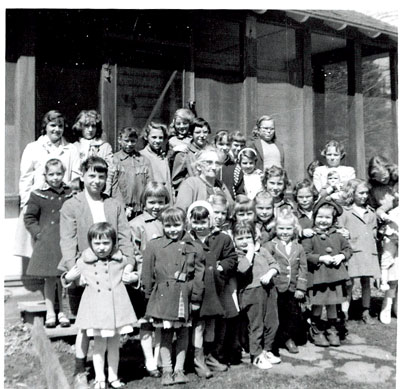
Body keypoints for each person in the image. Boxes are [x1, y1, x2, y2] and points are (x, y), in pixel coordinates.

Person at [58, 156, 135, 389]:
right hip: (85, 271)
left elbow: (125, 237)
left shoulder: (113, 204)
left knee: (110, 326)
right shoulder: (72, 205)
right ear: (82, 177)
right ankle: (80, 369)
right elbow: (68, 240)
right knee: (84, 325)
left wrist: (129, 265)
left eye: (101, 176)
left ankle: (110, 374)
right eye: (92, 175)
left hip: (112, 273)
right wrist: (76, 271)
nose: (97, 181)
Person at [64, 222, 137, 389]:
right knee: (99, 346)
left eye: (106, 243)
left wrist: (133, 278)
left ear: (113, 243)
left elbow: (133, 272)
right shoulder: (84, 262)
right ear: (90, 244)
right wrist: (68, 278)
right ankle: (100, 379)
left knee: (114, 346)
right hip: (97, 310)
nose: (102, 247)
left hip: (117, 309)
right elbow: (72, 278)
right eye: (97, 243)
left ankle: (113, 377)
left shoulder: (120, 260)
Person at [141, 207, 205, 386]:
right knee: (166, 334)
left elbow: (199, 276)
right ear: (162, 225)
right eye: (168, 225)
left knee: (183, 333)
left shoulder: (195, 247)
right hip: (162, 296)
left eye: (176, 225)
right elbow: (147, 274)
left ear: (184, 224)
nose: (172, 229)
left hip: (185, 295)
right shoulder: (154, 246)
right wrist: (149, 297)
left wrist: (195, 299)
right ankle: (167, 370)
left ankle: (179, 369)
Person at [15, 110, 80, 258]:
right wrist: (26, 203)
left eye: (60, 126)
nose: (57, 129)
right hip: (39, 205)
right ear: (45, 126)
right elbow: (25, 178)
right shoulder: (33, 148)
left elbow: (75, 180)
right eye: (53, 125)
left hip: (61, 204)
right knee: (39, 248)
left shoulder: (71, 150)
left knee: (60, 249)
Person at [187, 202, 238, 377]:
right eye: (195, 222)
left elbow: (232, 258)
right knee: (198, 325)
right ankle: (198, 360)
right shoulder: (187, 239)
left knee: (211, 324)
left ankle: (210, 356)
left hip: (214, 290)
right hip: (196, 290)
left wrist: (221, 267)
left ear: (210, 221)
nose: (199, 227)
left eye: (203, 222)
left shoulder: (222, 238)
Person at [23, 159, 73, 328]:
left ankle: (63, 312)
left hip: (65, 241)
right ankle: (51, 311)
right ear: (45, 175)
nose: (55, 177)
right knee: (50, 279)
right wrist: (39, 233)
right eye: (51, 174)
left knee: (64, 278)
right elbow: (29, 217)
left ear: (64, 174)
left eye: (58, 173)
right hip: (48, 243)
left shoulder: (70, 193)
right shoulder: (38, 194)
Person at [129, 181, 170, 378]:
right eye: (152, 202)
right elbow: (135, 253)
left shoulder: (168, 221)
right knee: (146, 321)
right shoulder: (136, 225)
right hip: (146, 280)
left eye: (161, 202)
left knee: (161, 321)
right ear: (144, 202)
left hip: (166, 280)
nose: (156, 206)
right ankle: (149, 360)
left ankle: (159, 357)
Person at [302, 198, 352, 347]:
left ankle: (332, 329)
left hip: (335, 277)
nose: (323, 221)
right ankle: (316, 330)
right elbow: (305, 254)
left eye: (327, 217)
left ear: (333, 219)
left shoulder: (338, 235)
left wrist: (341, 256)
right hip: (319, 277)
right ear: (315, 217)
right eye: (320, 217)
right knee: (317, 303)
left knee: (332, 304)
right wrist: (320, 258)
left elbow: (348, 249)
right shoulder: (310, 236)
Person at [235, 221, 280, 369]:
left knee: (272, 322)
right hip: (251, 293)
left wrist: (269, 273)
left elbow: (275, 264)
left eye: (248, 237)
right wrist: (249, 252)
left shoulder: (262, 251)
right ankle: (256, 355)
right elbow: (242, 269)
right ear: (234, 240)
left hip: (269, 289)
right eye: (240, 238)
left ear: (254, 237)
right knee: (256, 324)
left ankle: (267, 350)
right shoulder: (237, 254)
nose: (244, 241)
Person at [265, 208, 307, 354]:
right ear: (275, 228)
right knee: (275, 315)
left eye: (288, 229)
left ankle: (289, 338)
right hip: (276, 288)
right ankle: (274, 340)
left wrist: (301, 288)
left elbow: (303, 268)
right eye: (281, 228)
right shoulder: (271, 245)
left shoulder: (299, 247)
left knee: (292, 315)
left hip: (292, 289)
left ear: (294, 229)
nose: (284, 232)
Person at [338, 179, 380, 324]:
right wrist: (343, 232)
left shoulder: (371, 212)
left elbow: (374, 231)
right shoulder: (345, 212)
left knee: (366, 282)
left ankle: (365, 311)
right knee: (348, 283)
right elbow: (339, 229)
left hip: (367, 251)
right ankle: (344, 313)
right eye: (360, 193)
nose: (364, 196)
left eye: (366, 193)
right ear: (352, 193)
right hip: (352, 252)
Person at [108, 126, 153, 220]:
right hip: (121, 207)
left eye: (132, 141)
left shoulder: (144, 160)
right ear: (119, 140)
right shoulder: (115, 160)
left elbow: (150, 184)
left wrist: (147, 204)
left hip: (141, 208)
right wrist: (123, 206)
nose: (129, 144)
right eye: (126, 141)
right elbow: (113, 186)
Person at [175, 147, 233, 212]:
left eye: (217, 163)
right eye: (209, 163)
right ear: (199, 166)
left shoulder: (221, 185)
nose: (214, 167)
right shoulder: (191, 183)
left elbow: (231, 209)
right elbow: (180, 212)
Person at [172, 117, 211, 191]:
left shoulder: (212, 152)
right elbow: (176, 180)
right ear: (192, 134)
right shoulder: (184, 154)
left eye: (205, 132)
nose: (202, 136)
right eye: (198, 132)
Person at [139, 122, 174, 203]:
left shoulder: (164, 156)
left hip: (166, 201)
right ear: (146, 137)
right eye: (154, 137)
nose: (157, 141)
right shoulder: (141, 156)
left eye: (160, 138)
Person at [379, 194, 399, 324]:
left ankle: (397, 305)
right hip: (392, 237)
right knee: (390, 269)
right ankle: (387, 304)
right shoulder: (393, 205)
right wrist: (384, 216)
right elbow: (379, 211)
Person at [368, 155, 398, 220]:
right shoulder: (374, 189)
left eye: (384, 174)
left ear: (389, 169)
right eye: (377, 177)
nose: (382, 180)